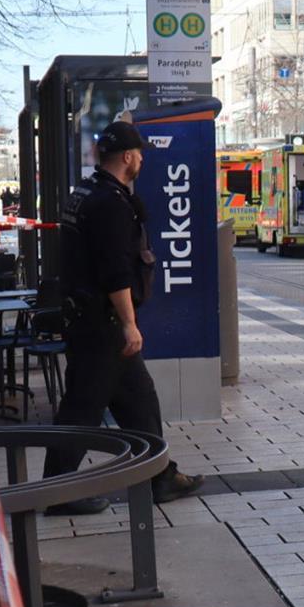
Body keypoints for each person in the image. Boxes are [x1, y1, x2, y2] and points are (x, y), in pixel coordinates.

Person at [42, 120, 205, 516]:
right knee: (82, 408)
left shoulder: (85, 193)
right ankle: (57, 491)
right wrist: (129, 322)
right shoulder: (110, 204)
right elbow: (115, 271)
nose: (143, 160)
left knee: (139, 402)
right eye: (141, 154)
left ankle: (161, 476)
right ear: (129, 157)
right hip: (102, 326)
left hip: (90, 321)